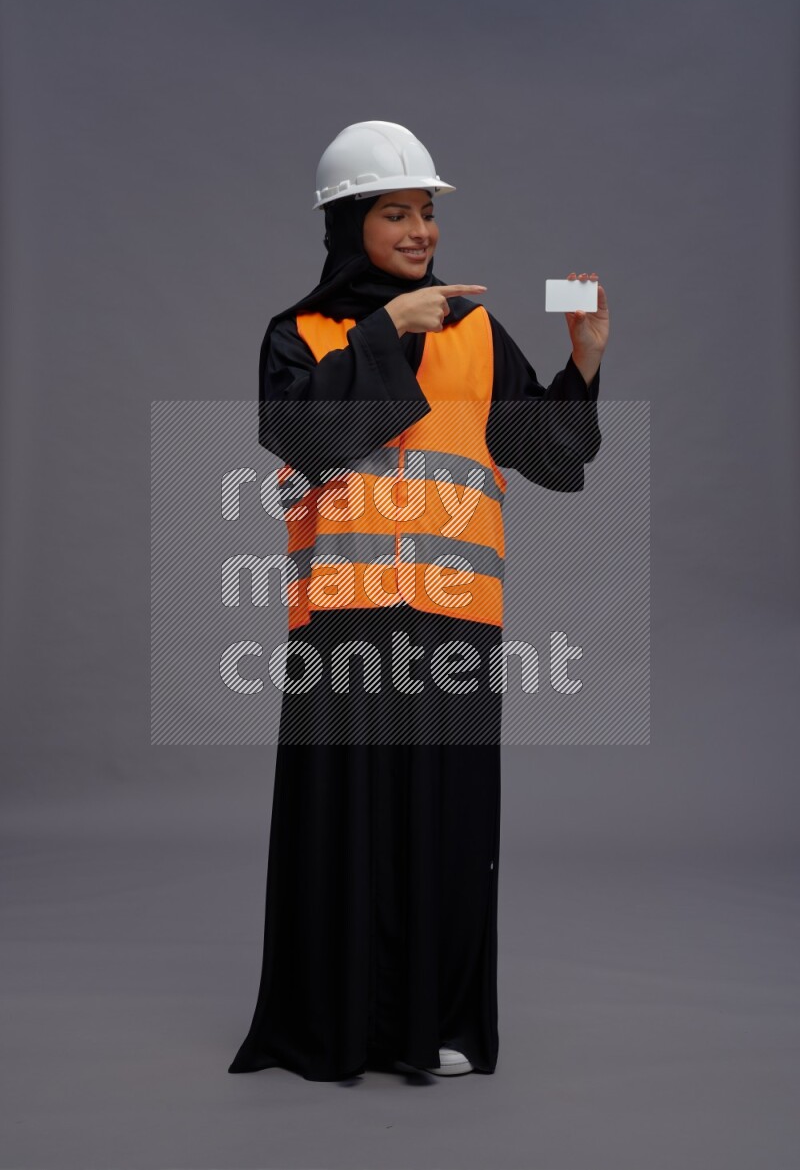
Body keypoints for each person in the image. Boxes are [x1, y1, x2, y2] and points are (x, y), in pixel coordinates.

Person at [228, 121, 608, 1083]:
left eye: (427, 212)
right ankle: (334, 1026)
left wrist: (584, 363)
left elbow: (548, 452)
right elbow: (302, 436)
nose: (419, 231)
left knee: (448, 831)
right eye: (395, 212)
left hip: (453, 624)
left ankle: (437, 1024)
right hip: (343, 625)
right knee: (342, 830)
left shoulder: (477, 332)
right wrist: (386, 331)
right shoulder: (299, 336)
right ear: (348, 224)